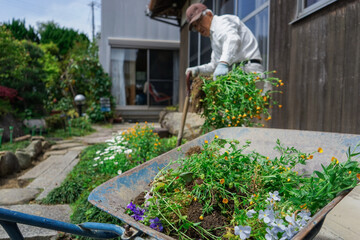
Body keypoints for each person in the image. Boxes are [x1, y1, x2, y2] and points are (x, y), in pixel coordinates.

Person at [185, 3, 265, 81]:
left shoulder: (221, 22)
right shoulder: (214, 37)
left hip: (248, 70)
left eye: (199, 21)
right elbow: (215, 66)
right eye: (195, 26)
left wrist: (223, 63)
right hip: (238, 72)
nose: (199, 28)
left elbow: (232, 40)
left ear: (209, 14)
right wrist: (198, 70)